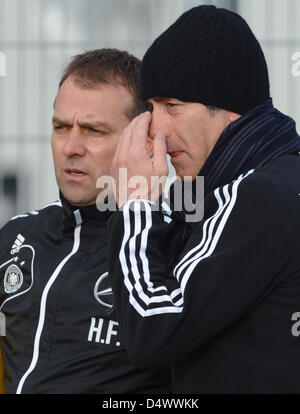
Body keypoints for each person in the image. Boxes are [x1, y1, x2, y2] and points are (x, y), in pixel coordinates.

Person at [107, 6, 300, 393]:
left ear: (230, 109)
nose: (156, 130)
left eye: (173, 106)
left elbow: (153, 326)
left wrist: (134, 204)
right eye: (149, 109)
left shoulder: (256, 197)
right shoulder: (280, 176)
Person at [0, 48, 171, 394]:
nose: (71, 147)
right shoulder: (17, 237)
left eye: (93, 131)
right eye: (61, 127)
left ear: (143, 140)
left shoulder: (174, 243)